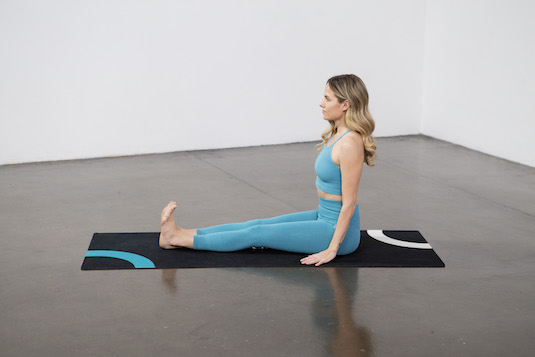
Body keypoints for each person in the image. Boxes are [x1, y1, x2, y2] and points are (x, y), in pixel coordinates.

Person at [159, 74, 376, 266]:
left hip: (337, 232)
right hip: (324, 217)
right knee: (256, 224)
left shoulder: (350, 143)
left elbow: (349, 202)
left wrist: (332, 249)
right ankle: (179, 233)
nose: (321, 103)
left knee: (257, 234)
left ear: (345, 104)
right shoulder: (338, 134)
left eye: (327, 98)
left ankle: (177, 240)